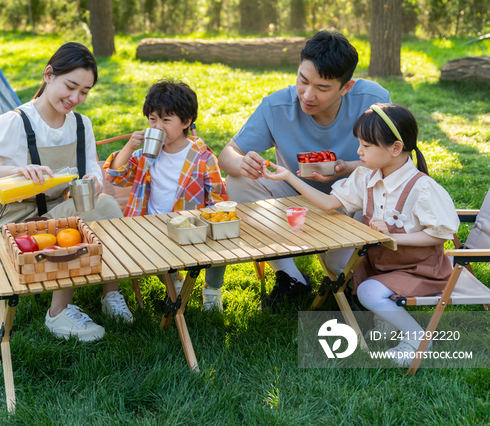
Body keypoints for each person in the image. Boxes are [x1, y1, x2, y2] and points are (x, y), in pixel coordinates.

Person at [0, 42, 132, 342]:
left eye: (85, 92)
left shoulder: (80, 125)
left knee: (103, 203)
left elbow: (91, 166)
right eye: (70, 86)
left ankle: (110, 293)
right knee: (90, 212)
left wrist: (94, 177)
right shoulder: (16, 122)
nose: (75, 98)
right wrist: (14, 171)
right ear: (49, 75)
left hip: (56, 218)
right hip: (14, 226)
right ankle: (58, 314)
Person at [261, 103, 459, 366]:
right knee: (332, 260)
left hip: (419, 269)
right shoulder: (367, 176)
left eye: (366, 146)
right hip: (382, 264)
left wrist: (394, 239)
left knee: (367, 292)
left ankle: (418, 339)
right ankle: (388, 317)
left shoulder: (422, 188)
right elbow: (330, 203)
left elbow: (440, 235)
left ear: (395, 148)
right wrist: (288, 177)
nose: (358, 151)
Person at [218, 29, 391, 311]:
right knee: (237, 181)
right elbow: (227, 154)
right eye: (303, 80)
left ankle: (350, 276)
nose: (308, 95)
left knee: (340, 262)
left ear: (346, 87)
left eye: (323, 88)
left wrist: (347, 167)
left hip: (352, 198)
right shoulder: (277, 105)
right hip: (294, 198)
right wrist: (241, 162)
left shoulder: (373, 99)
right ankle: (290, 275)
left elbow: (398, 162)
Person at [103, 81, 229, 311]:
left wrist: (211, 222)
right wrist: (130, 147)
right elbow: (115, 176)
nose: (158, 126)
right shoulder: (147, 154)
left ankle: (212, 289)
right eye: (153, 119)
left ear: (186, 122)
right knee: (145, 249)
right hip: (154, 226)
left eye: (166, 120)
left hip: (193, 226)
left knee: (223, 236)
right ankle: (177, 284)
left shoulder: (202, 157)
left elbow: (217, 198)